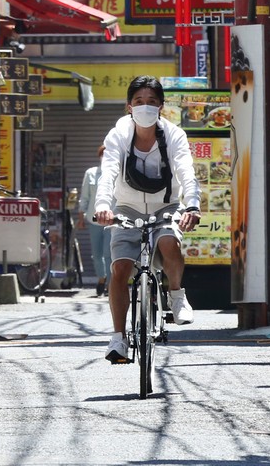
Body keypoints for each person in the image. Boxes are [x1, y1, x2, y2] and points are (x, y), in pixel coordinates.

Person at [93, 75, 201, 364]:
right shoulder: (118, 135)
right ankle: (117, 338)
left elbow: (186, 172)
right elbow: (109, 174)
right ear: (129, 106)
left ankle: (177, 296)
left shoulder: (175, 135)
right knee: (120, 269)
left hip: (166, 206)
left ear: (161, 107)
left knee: (169, 243)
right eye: (139, 101)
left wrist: (192, 205)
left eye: (152, 102)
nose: (145, 107)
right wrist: (104, 205)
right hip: (126, 207)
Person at [78, 145, 112, 296]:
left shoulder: (118, 175)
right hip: (93, 219)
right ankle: (101, 278)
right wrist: (81, 216)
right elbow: (84, 197)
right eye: (103, 154)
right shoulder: (90, 173)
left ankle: (111, 284)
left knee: (109, 253)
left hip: (112, 222)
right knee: (96, 254)